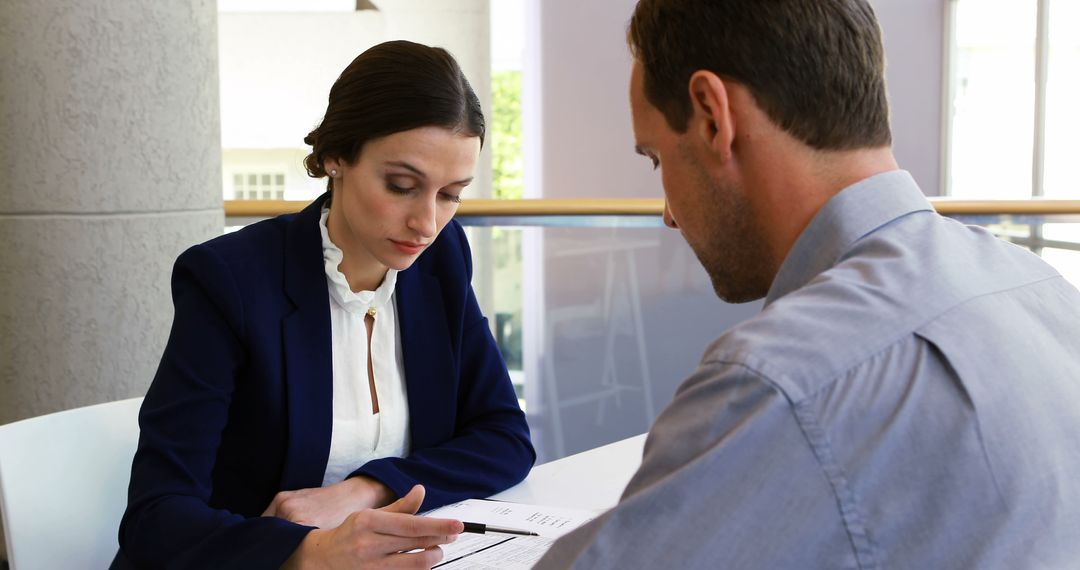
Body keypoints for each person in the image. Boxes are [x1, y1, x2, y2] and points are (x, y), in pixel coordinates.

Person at [536, 0, 1080, 568]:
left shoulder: (782, 382)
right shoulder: (1044, 292)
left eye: (655, 159)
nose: (668, 215)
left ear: (711, 115)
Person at [112, 40, 535, 569]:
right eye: (402, 185)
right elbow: (156, 519)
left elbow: (505, 436)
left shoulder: (441, 260)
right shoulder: (231, 281)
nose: (427, 224)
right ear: (336, 156)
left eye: (450, 193)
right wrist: (310, 552)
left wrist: (367, 488)